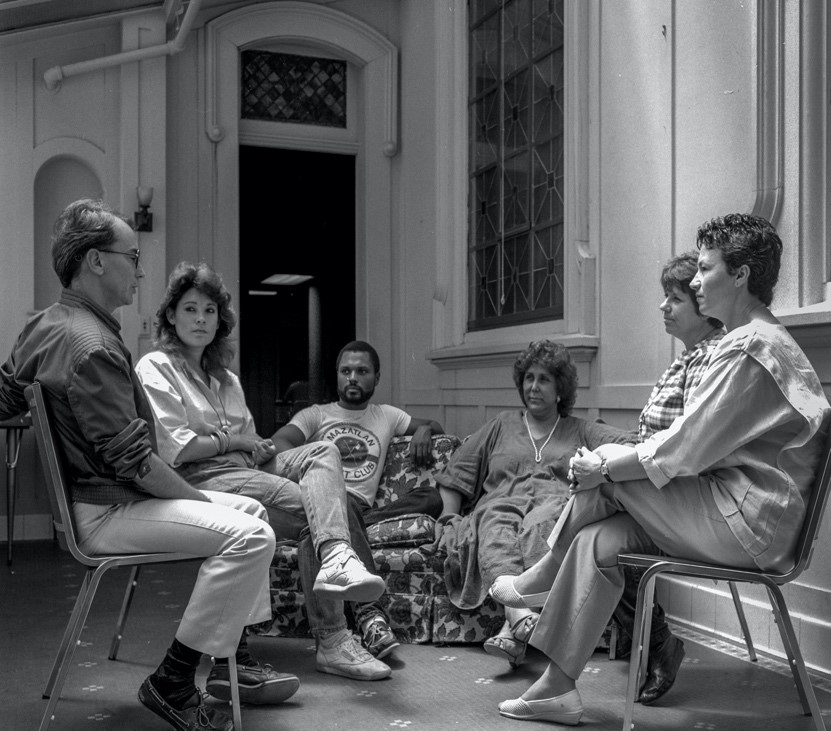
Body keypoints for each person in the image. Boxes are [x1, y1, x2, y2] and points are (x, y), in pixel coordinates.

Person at [489, 213, 830, 725]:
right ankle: (555, 688)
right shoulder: (753, 338)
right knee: (598, 541)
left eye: (707, 268)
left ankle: (543, 573)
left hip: (749, 525)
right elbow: (688, 448)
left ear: (739, 275)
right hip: (735, 512)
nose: (695, 280)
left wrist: (601, 466)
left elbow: (681, 451)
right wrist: (605, 468)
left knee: (606, 478)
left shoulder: (749, 348)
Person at [0, 200, 298, 731]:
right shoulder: (92, 345)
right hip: (107, 511)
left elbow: (3, 395)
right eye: (131, 257)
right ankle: (174, 680)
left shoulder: (45, 324)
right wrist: (200, 498)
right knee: (250, 536)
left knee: (252, 506)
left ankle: (236, 661)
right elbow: (136, 464)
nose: (139, 270)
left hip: (103, 499)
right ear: (95, 261)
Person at [135, 262, 391, 683]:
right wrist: (235, 442)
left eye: (210, 311)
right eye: (190, 309)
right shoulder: (156, 366)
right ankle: (333, 639)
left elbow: (250, 439)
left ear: (221, 320)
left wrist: (257, 447)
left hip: (244, 467)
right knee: (321, 511)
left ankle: (338, 557)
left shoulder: (226, 378)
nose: (200, 319)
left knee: (322, 450)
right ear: (170, 316)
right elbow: (177, 448)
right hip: (200, 478)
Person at [432, 340, 635, 668]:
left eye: (544, 379)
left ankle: (514, 628)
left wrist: (601, 462)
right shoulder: (501, 424)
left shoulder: (580, 429)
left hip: (552, 506)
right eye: (528, 378)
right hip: (499, 504)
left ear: (560, 389)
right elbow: (459, 470)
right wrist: (448, 516)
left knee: (541, 522)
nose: (534, 386)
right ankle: (518, 617)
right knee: (493, 524)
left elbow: (628, 443)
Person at [271, 340, 444, 666]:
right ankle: (370, 617)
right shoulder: (315, 415)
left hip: (363, 510)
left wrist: (425, 432)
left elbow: (433, 426)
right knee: (340, 500)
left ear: (376, 378)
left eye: (361, 371)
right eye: (345, 371)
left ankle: (347, 531)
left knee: (430, 497)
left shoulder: (387, 416)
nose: (353, 377)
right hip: (326, 501)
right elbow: (281, 442)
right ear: (336, 377)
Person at [610, 250, 725, 704]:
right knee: (593, 528)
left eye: (674, 298)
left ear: (702, 306)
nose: (664, 307)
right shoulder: (683, 359)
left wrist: (610, 465)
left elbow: (686, 446)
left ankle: (656, 642)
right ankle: (657, 642)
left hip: (683, 496)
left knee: (600, 540)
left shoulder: (710, 359)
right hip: (654, 484)